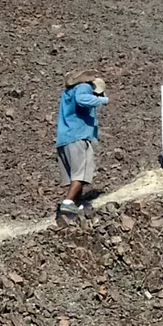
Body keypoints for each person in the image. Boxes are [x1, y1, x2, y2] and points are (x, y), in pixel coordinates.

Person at [55, 70, 109, 217]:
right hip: (78, 137)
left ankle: (74, 206)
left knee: (75, 175)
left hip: (64, 139)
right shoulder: (84, 87)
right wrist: (104, 100)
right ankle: (68, 203)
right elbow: (82, 99)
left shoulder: (68, 92)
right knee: (81, 173)